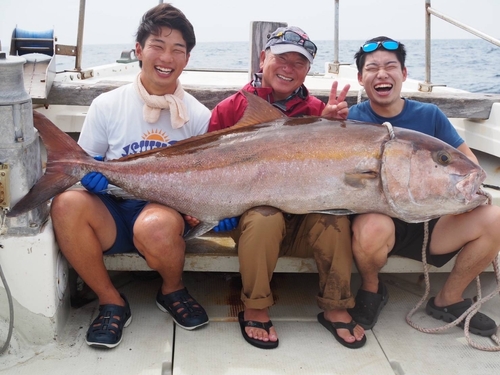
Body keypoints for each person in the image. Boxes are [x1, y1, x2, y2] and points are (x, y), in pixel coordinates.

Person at [50, 3, 211, 349]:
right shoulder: (106, 105)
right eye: (157, 45)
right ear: (139, 50)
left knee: (154, 226)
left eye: (177, 49)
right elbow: (87, 163)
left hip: (162, 213)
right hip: (111, 209)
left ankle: (171, 289)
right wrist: (87, 175)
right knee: (65, 204)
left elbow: (202, 181)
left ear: (187, 58)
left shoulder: (198, 117)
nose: (166, 56)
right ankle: (111, 300)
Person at [209, 26, 366, 349]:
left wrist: (329, 130)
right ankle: (255, 305)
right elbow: (204, 165)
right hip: (252, 223)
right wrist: (220, 209)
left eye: (299, 63)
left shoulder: (316, 111)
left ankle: (336, 306)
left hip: (303, 219)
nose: (289, 68)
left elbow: (331, 173)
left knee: (335, 220)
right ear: (263, 57)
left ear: (307, 71)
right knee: (265, 217)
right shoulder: (231, 109)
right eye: (282, 58)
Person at [346, 36, 500, 336]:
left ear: (404, 74)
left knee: (496, 219)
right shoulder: (353, 119)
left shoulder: (429, 115)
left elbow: (470, 166)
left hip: (433, 223)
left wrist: (473, 194)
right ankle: (371, 290)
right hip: (380, 219)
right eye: (372, 68)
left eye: (391, 66)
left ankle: (448, 298)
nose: (382, 74)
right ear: (361, 79)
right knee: (372, 228)